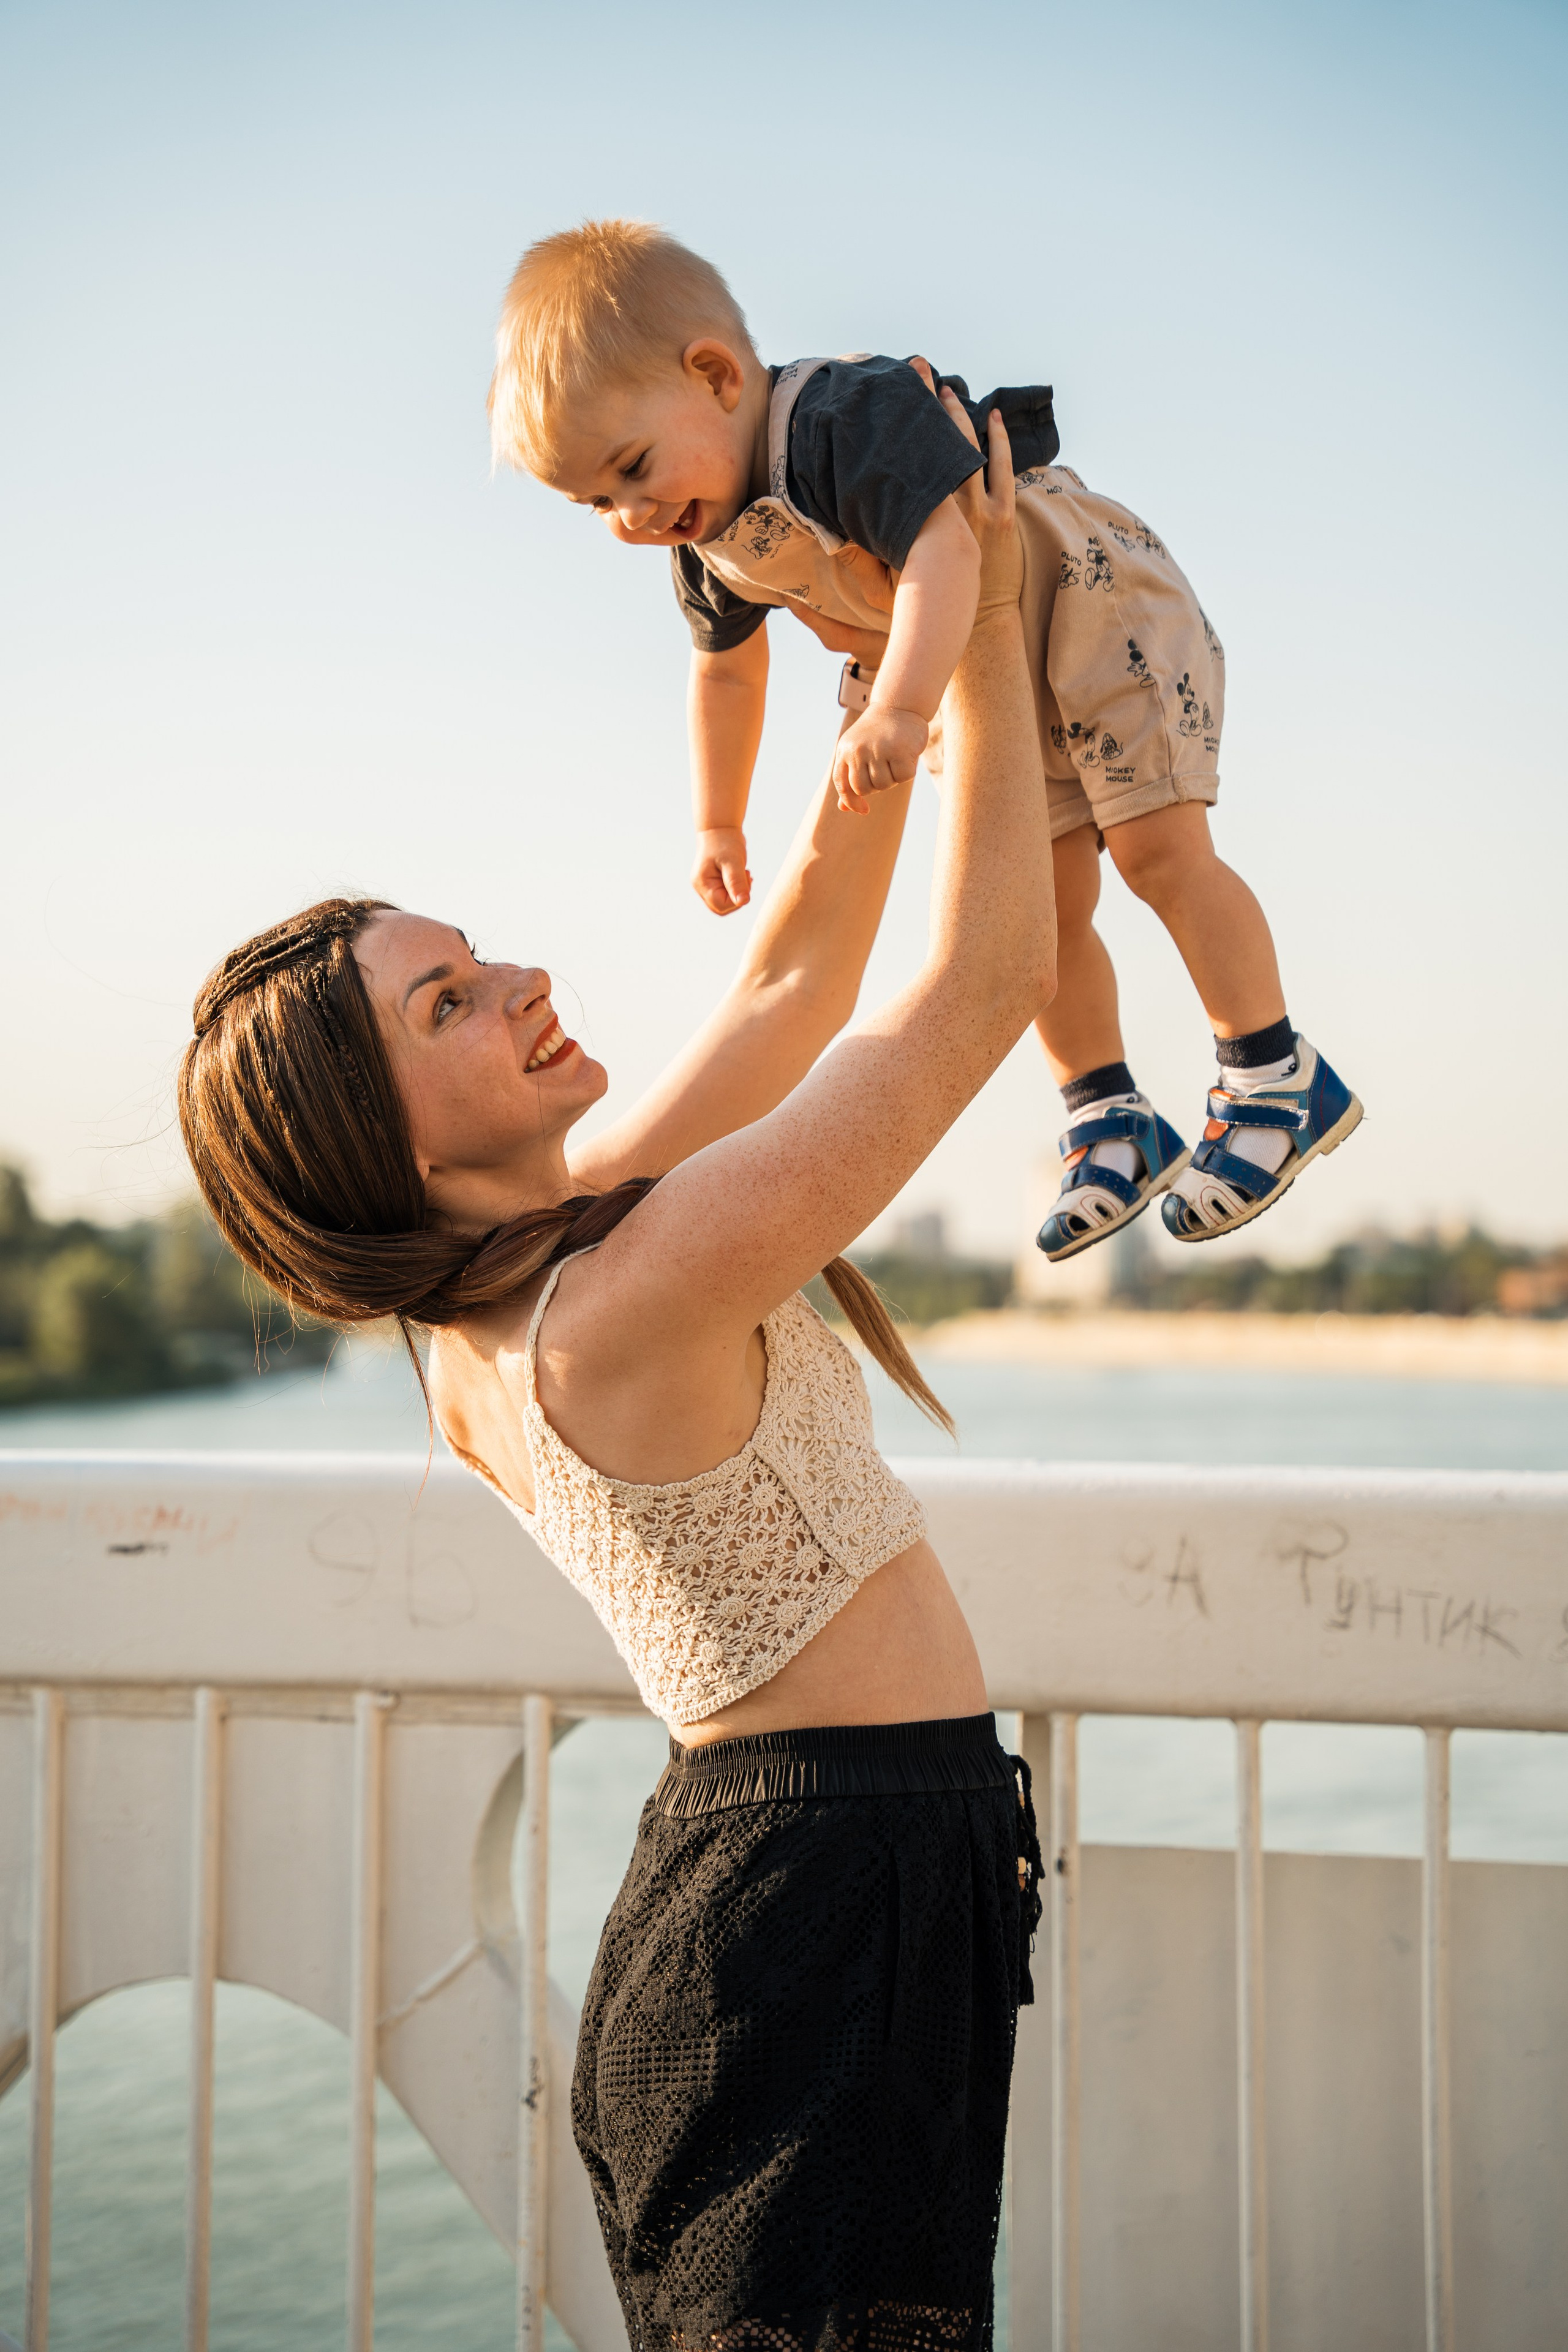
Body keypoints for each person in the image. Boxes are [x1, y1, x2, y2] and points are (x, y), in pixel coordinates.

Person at [179, 400, 1050, 2352]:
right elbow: (973, 996)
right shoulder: (613, 1302)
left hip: (831, 1887)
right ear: (377, 1142)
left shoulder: (527, 1281)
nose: (523, 984)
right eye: (452, 1004)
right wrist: (977, 621)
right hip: (810, 1922)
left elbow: (791, 984)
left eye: (480, 957)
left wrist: (875, 689)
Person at [488, 217, 1362, 1255]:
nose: (630, 517)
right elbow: (724, 673)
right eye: (597, 502)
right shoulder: (703, 533)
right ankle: (1109, 1112)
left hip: (1085, 605)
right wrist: (717, 822)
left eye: (632, 469)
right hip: (983, 675)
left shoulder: (840, 418)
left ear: (718, 374)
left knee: (1159, 854)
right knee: (1039, 904)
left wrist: (898, 709)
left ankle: (1273, 1073)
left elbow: (950, 547)